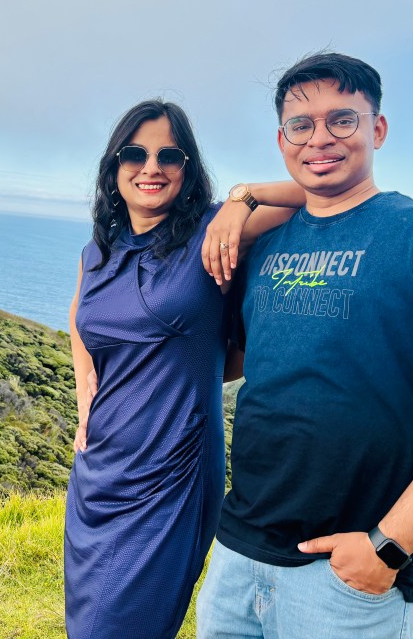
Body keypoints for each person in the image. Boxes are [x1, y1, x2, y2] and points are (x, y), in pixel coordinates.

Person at [195, 52, 413, 639]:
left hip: (347, 576)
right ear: (282, 139)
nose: (320, 138)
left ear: (378, 129)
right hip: (238, 551)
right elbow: (230, 363)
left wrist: (387, 548)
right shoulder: (266, 244)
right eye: (301, 125)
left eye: (342, 120)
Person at [65, 100, 303, 639]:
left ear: (187, 168)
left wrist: (242, 199)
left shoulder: (212, 231)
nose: (151, 167)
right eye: (135, 154)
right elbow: (80, 314)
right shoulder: (96, 251)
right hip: (99, 470)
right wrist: (84, 388)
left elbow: (316, 193)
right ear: (114, 166)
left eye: (168, 155)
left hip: (170, 471)